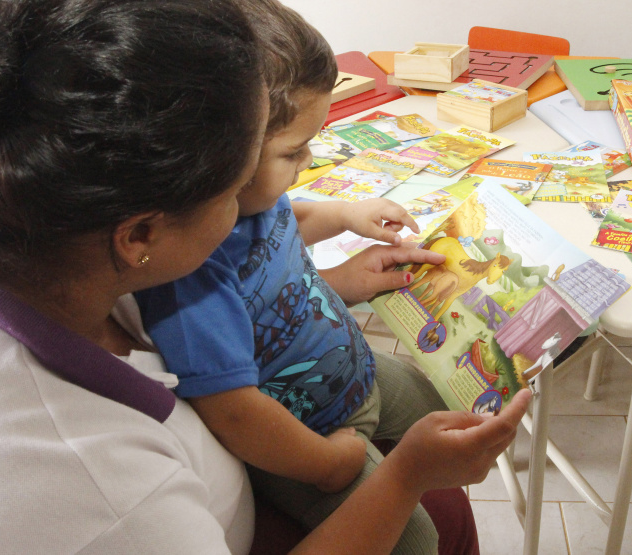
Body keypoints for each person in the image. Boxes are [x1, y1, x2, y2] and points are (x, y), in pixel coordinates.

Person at [0, 1, 531, 554]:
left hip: (320, 405)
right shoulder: (103, 500)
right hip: (276, 479)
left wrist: (332, 281)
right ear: (141, 235)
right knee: (427, 529)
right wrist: (398, 479)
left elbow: (262, 280)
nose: (272, 191)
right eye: (241, 178)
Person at [134, 2, 463, 551]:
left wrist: (344, 215)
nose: (308, 161)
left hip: (355, 373)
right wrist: (327, 465)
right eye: (292, 152)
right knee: (415, 541)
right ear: (223, 155)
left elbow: (290, 218)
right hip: (302, 441)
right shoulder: (189, 270)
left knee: (439, 411)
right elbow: (234, 412)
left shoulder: (258, 197)